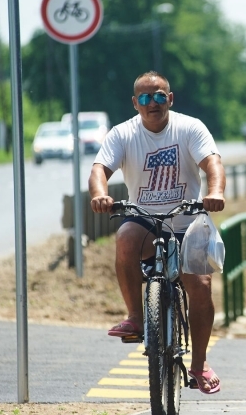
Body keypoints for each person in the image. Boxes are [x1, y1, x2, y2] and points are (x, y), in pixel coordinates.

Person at [88, 71, 225, 394]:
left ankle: (200, 364)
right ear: (136, 103)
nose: (154, 103)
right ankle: (136, 316)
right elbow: (99, 170)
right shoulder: (122, 134)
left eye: (160, 96)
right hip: (145, 219)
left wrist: (215, 191)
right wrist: (99, 195)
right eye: (146, 98)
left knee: (201, 287)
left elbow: (212, 163)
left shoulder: (190, 128)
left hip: (187, 220)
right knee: (125, 237)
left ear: (170, 99)